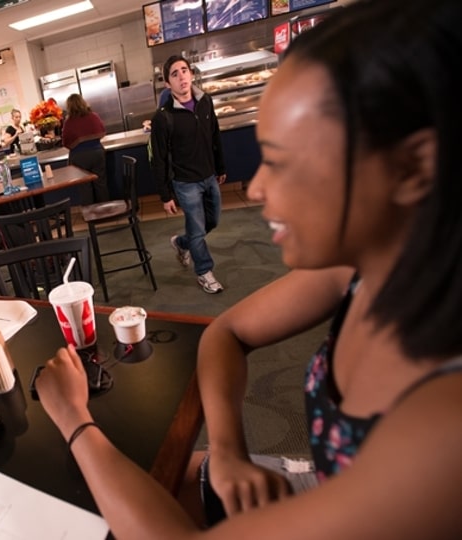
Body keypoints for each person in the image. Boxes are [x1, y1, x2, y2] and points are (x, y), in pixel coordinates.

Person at [34, 0, 462, 537]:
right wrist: (230, 453)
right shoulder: (361, 271)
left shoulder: (444, 431)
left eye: (281, 162)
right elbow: (227, 331)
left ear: (413, 167)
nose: (257, 189)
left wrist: (74, 420)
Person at [150, 55, 226, 294]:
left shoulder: (206, 102)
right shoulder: (162, 117)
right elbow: (158, 159)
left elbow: (215, 135)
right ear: (167, 83)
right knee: (197, 229)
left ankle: (180, 243)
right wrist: (165, 195)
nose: (181, 76)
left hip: (209, 175)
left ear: (191, 74)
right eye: (175, 73)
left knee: (211, 222)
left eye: (184, 70)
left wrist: (220, 167)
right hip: (185, 183)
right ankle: (204, 272)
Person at [61, 93, 110, 206]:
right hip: (97, 153)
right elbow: (102, 132)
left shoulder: (69, 122)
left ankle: (90, 214)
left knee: (84, 186)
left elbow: (66, 142)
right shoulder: (93, 116)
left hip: (79, 157)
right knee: (101, 183)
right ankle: (106, 210)